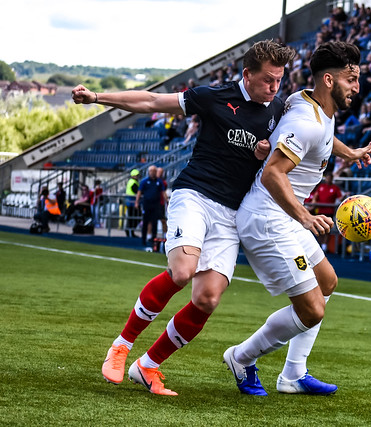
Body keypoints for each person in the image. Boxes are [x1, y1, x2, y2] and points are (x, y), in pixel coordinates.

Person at [72, 39, 297, 396]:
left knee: (207, 299)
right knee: (182, 272)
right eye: (268, 80)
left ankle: (147, 367)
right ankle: (121, 346)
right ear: (247, 74)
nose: (274, 88)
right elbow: (150, 101)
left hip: (231, 213)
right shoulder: (212, 96)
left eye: (279, 80)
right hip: (194, 196)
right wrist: (97, 98)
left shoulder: (279, 108)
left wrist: (264, 153)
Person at [224, 41, 371, 396]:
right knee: (312, 310)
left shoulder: (312, 103)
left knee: (327, 283)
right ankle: (241, 357)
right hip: (267, 220)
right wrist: (305, 216)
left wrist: (348, 152)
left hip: (285, 216)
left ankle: (293, 375)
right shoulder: (304, 119)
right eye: (351, 79)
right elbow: (272, 174)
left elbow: (322, 136)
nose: (356, 87)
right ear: (328, 80)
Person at [311, 172, 344, 251]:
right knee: (318, 228)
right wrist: (313, 202)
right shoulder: (321, 187)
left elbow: (340, 198)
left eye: (330, 178)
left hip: (329, 211)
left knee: (327, 229)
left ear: (332, 179)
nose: (328, 179)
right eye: (327, 178)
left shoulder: (335, 188)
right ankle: (319, 244)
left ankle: (324, 245)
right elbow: (316, 196)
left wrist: (345, 196)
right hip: (320, 211)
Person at [136, 165, 166, 248]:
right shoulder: (144, 181)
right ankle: (143, 239)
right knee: (145, 222)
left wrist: (167, 200)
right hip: (147, 204)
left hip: (156, 205)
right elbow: (139, 192)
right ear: (148, 172)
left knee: (154, 222)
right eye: (151, 171)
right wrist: (137, 202)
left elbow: (163, 192)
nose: (152, 172)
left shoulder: (159, 182)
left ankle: (153, 239)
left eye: (154, 171)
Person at [124, 169, 140, 238]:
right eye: (137, 175)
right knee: (134, 217)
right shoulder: (133, 182)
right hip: (132, 203)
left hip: (131, 202)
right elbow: (137, 191)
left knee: (132, 218)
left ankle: (130, 231)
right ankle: (130, 231)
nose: (138, 177)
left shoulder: (131, 181)